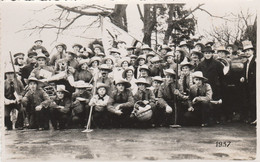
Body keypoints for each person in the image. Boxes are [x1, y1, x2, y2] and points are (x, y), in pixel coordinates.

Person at [195, 46, 225, 124]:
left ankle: (216, 118)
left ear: (212, 54)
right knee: (206, 102)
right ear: (204, 54)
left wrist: (221, 86)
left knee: (215, 102)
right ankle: (207, 119)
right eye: (206, 53)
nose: (207, 55)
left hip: (215, 85)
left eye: (209, 53)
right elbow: (197, 75)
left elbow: (222, 76)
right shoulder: (201, 64)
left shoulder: (218, 64)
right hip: (204, 86)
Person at [240, 40, 256, 124]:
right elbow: (245, 73)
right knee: (250, 101)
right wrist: (243, 77)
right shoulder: (246, 62)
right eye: (245, 51)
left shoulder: (256, 61)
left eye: (249, 50)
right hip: (248, 85)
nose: (247, 52)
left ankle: (256, 118)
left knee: (255, 101)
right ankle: (253, 118)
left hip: (255, 85)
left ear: (252, 51)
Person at [4, 65, 25, 130]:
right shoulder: (4, 83)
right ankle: (8, 126)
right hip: (7, 101)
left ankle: (19, 125)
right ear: (6, 75)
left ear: (14, 74)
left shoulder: (18, 81)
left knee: (22, 110)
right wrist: (6, 100)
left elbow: (22, 90)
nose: (10, 75)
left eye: (11, 73)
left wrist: (20, 96)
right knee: (6, 115)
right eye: (8, 74)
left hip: (17, 100)